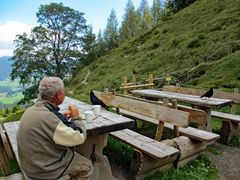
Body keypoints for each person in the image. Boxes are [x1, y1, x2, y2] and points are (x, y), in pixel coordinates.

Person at [17, 77, 93, 179]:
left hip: (30, 164)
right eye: (63, 91)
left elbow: (49, 124)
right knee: (87, 166)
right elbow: (79, 137)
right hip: (43, 170)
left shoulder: (32, 110)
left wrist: (60, 120)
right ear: (58, 95)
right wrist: (76, 116)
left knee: (71, 151)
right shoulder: (49, 117)